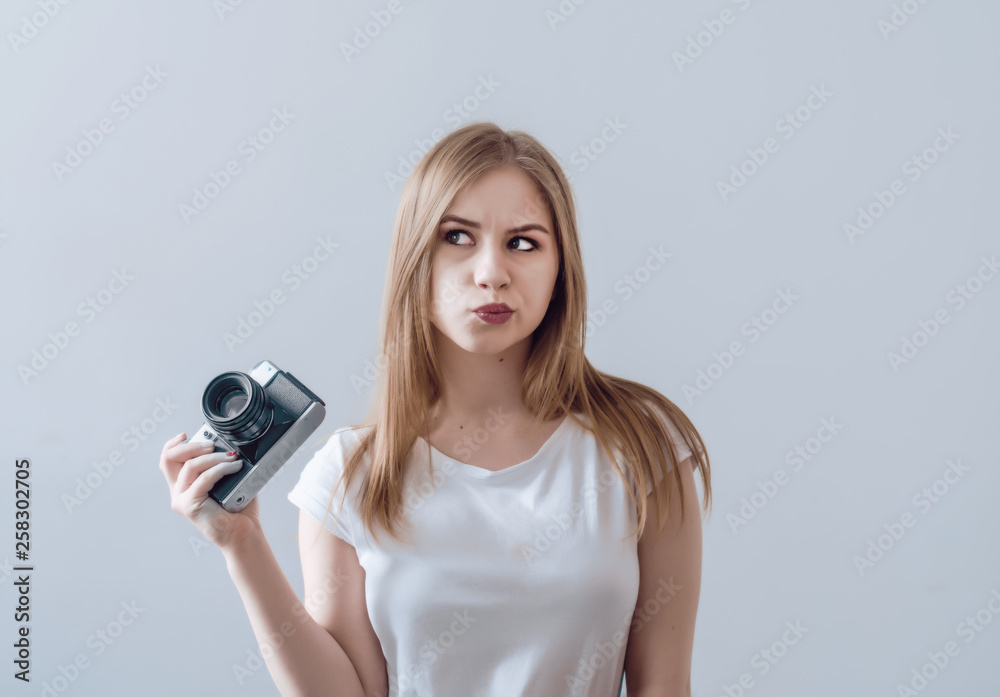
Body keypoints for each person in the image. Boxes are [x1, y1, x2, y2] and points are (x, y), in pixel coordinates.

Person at [159, 121, 712, 697]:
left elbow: (666, 687)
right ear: (415, 262)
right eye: (458, 237)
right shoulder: (348, 476)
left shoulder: (642, 448)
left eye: (524, 242)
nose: (492, 273)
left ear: (560, 270)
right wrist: (241, 544)